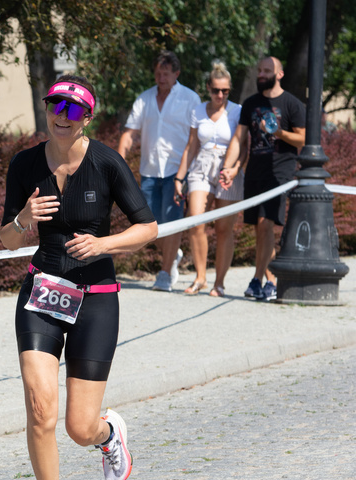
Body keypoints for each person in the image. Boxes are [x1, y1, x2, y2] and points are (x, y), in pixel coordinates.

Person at [0, 75, 157, 480]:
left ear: (87, 116)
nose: (62, 116)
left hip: (96, 296)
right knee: (39, 407)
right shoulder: (25, 164)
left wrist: (104, 243)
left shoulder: (106, 162)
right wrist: (24, 219)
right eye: (55, 107)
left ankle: (107, 435)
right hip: (42, 292)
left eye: (73, 110)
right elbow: (6, 238)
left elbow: (148, 227)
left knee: (77, 427)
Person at [220, 56, 306, 301]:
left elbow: (303, 139)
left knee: (265, 224)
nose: (261, 74)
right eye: (259, 70)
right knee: (259, 229)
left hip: (280, 172)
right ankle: (270, 280)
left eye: (266, 71)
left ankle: (258, 279)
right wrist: (230, 167)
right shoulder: (251, 103)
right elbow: (239, 139)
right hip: (255, 173)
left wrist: (278, 132)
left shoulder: (291, 104)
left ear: (279, 74)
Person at [118, 50, 201, 292]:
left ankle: (164, 273)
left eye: (166, 73)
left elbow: (194, 139)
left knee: (172, 221)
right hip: (150, 171)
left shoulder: (190, 99)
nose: (161, 78)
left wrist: (183, 173)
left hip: (177, 172)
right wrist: (119, 162)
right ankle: (172, 254)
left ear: (177, 73)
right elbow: (130, 133)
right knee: (148, 225)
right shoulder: (144, 99)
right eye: (157, 73)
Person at [172, 62, 245, 297]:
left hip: (227, 169)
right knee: (196, 221)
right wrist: (179, 177)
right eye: (215, 90)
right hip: (202, 165)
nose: (220, 95)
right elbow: (191, 145)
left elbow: (244, 146)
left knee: (224, 228)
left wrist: (235, 168)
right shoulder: (198, 111)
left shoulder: (237, 110)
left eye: (225, 91)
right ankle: (200, 277)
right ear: (208, 88)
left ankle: (219, 282)